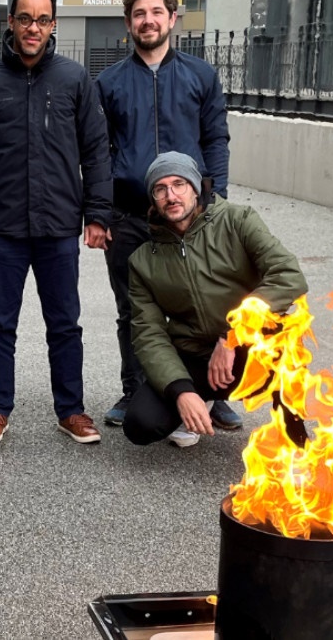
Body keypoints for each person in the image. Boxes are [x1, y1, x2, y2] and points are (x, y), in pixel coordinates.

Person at [0, 0, 112, 446]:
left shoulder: (75, 79)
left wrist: (97, 213)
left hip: (60, 225)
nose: (33, 28)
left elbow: (96, 150)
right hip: (2, 227)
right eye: (25, 18)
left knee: (65, 323)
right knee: (0, 323)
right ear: (11, 22)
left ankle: (71, 410)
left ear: (53, 24)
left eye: (42, 20)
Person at [95, 0, 233, 433]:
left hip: (194, 218)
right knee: (131, 310)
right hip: (130, 217)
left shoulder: (201, 76)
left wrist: (218, 202)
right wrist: (98, 211)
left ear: (173, 18)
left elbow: (216, 141)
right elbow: (96, 153)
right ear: (128, 23)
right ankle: (134, 388)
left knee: (206, 305)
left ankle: (216, 393)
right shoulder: (109, 83)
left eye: (156, 12)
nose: (148, 21)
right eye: (139, 14)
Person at [124, 152, 306, 448]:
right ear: (153, 199)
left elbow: (289, 276)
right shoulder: (143, 261)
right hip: (194, 354)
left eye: (179, 184)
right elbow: (149, 334)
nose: (171, 195)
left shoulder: (238, 220)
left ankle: (293, 435)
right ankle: (199, 401)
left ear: (195, 188)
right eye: (161, 189)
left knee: (286, 348)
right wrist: (181, 391)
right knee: (140, 425)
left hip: (249, 347)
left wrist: (232, 335)